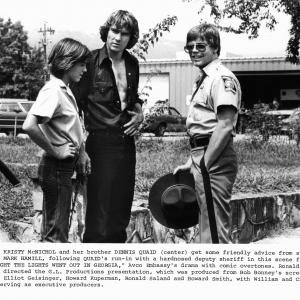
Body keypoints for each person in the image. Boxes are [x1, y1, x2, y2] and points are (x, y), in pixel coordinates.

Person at [71, 10, 144, 243]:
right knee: (99, 214)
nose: (118, 37)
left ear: (130, 37)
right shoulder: (90, 63)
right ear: (106, 31)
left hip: (126, 143)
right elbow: (74, 109)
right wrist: (80, 149)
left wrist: (140, 111)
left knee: (121, 209)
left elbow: (132, 99)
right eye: (114, 30)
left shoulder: (132, 63)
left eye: (124, 33)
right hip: (99, 144)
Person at [174, 24, 241, 244]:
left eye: (200, 45)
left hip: (215, 157)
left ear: (215, 47)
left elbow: (224, 125)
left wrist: (204, 163)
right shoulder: (203, 79)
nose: (194, 50)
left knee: (214, 230)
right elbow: (203, 126)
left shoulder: (221, 78)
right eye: (189, 46)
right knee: (206, 224)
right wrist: (190, 161)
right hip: (202, 154)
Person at [23, 38, 91, 243]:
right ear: (68, 63)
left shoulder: (64, 89)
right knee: (56, 236)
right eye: (81, 64)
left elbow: (68, 130)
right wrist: (56, 151)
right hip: (56, 166)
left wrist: (82, 152)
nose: (85, 69)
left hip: (63, 168)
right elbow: (29, 125)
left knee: (55, 231)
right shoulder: (53, 90)